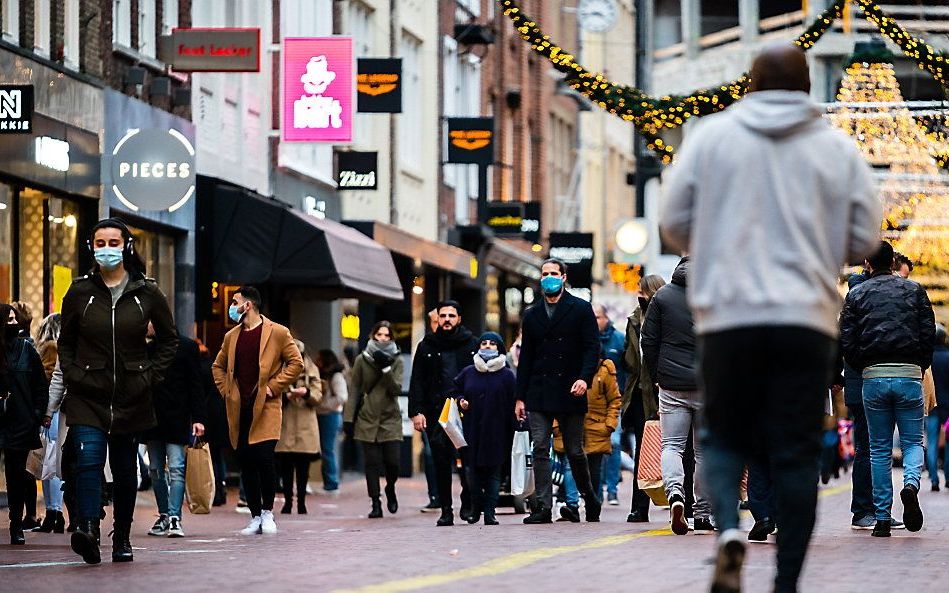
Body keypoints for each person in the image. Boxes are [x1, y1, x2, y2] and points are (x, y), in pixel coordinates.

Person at [660, 44, 882, 593]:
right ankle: (786, 581)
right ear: (807, 85)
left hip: (729, 317)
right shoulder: (836, 149)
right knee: (795, 452)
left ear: (749, 84)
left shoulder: (711, 137)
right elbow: (865, 239)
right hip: (804, 320)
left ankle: (731, 530)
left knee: (722, 435)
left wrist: (719, 241)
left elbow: (672, 223)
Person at [58, 218, 178, 564]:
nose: (106, 248)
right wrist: (74, 374)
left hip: (131, 396)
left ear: (126, 245)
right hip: (87, 394)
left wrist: (150, 377)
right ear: (91, 247)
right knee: (88, 462)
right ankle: (87, 527)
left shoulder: (147, 292)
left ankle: (122, 537)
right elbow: (66, 343)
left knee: (126, 472)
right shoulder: (79, 291)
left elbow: (170, 340)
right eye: (100, 242)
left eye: (114, 242)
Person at [840, 240, 935, 538]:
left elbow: (847, 339)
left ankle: (881, 518)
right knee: (911, 441)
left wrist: (863, 366)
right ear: (894, 263)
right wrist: (918, 365)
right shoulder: (915, 290)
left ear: (868, 264)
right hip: (908, 374)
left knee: (878, 449)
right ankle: (910, 484)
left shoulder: (856, 294)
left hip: (873, 377)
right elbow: (927, 332)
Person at [212, 286, 303, 537]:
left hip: (267, 407)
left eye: (235, 301)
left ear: (248, 305)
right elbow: (217, 366)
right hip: (239, 409)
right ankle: (254, 516)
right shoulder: (232, 336)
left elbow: (296, 363)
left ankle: (267, 513)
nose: (231, 306)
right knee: (246, 462)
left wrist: (274, 387)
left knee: (264, 459)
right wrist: (227, 391)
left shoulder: (278, 332)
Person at [516, 258, 601, 524]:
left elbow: (592, 349)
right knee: (540, 447)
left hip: (570, 390)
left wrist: (584, 379)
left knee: (575, 451)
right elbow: (526, 358)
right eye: (544, 274)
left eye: (553, 273)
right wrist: (520, 396)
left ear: (563, 277)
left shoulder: (580, 309)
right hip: (538, 392)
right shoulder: (531, 314)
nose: (548, 278)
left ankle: (590, 498)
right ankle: (542, 507)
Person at [640, 256, 713, 535]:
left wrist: (658, 375)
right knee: (705, 451)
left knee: (672, 446)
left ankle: (675, 495)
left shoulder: (662, 297)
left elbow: (648, 340)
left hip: (671, 384)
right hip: (707, 383)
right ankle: (704, 513)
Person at [409, 301, 478, 526]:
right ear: (437, 318)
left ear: (459, 319)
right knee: (440, 461)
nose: (447, 319)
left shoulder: (472, 344)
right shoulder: (426, 345)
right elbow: (417, 380)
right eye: (443, 315)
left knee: (468, 462)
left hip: (465, 412)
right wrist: (416, 412)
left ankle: (467, 501)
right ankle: (446, 510)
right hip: (436, 412)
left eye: (451, 315)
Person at [145, 325, 206, 538]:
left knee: (176, 467)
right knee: (155, 469)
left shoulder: (187, 347)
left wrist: (198, 418)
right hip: (153, 419)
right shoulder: (149, 349)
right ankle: (165, 515)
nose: (146, 325)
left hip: (176, 417)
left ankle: (173, 517)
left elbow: (196, 384)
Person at [454, 332, 516, 525]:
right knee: (472, 473)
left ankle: (489, 512)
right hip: (472, 430)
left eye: (492, 343)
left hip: (498, 431)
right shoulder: (469, 372)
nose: (487, 346)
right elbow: (455, 390)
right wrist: (460, 401)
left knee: (494, 474)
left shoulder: (507, 375)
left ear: (499, 348)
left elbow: (515, 401)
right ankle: (475, 510)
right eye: (484, 343)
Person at [1, 304, 49, 545]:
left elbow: (40, 386)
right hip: (5, 420)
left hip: (20, 422)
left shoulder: (27, 351)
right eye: (7, 319)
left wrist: (37, 414)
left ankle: (16, 524)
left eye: (14, 319)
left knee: (16, 476)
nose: (13, 323)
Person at [345, 321, 404, 518]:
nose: (383, 339)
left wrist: (386, 369)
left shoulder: (397, 360)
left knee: (393, 462)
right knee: (371, 464)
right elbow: (354, 390)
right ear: (373, 336)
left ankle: (390, 488)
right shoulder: (362, 359)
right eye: (379, 335)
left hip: (390, 418)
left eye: (387, 336)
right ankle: (376, 502)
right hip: (367, 417)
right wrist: (348, 419)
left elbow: (396, 389)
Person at [623, 274, 665, 523]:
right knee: (644, 450)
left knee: (676, 448)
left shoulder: (665, 317)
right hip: (641, 393)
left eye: (644, 291)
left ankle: (684, 503)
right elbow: (631, 360)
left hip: (665, 389)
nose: (641, 295)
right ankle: (639, 507)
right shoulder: (633, 320)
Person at [275, 339, 323, 515]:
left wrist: (306, 393)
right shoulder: (279, 370)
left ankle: (301, 502)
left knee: (303, 468)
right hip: (285, 424)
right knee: (285, 467)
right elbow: (271, 393)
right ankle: (287, 502)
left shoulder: (312, 370)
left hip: (305, 424)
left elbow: (318, 396)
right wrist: (286, 396)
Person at [34, 313, 65, 534]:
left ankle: (54, 512)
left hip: (52, 409)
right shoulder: (62, 347)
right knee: (53, 460)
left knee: (50, 461)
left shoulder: (50, 347)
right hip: (59, 409)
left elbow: (52, 378)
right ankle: (57, 512)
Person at [593, 304, 626, 505]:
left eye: (598, 317)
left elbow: (627, 370)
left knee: (613, 444)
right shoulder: (586, 338)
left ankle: (612, 489)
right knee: (592, 446)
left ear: (606, 318)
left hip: (614, 401)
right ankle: (595, 491)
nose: (595, 321)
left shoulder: (619, 340)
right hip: (591, 403)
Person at [315, 349, 348, 496]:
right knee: (324, 449)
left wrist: (324, 405)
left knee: (327, 449)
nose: (317, 361)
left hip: (331, 415)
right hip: (324, 414)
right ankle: (329, 482)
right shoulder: (325, 375)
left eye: (320, 358)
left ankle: (331, 483)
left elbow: (342, 397)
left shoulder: (336, 376)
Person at [928, 325, 949, 491]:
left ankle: (934, 480)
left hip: (931, 406)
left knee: (932, 443)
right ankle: (948, 477)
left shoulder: (926, 359)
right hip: (948, 407)